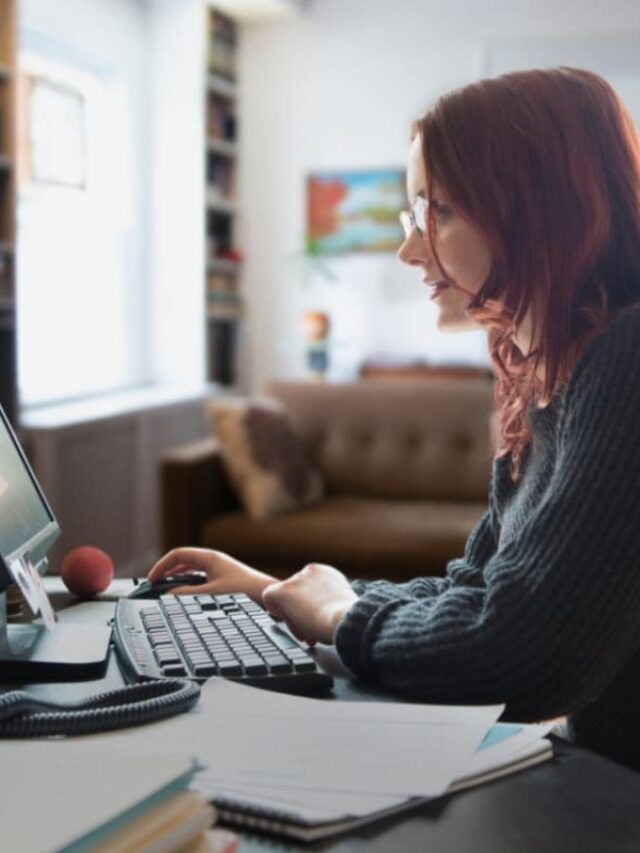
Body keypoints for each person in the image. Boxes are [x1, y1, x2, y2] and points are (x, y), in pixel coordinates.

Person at [149, 67, 640, 771]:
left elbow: (525, 654)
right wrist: (281, 594)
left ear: (538, 209)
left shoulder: (627, 356)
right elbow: (478, 590)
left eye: (438, 213)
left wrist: (340, 615)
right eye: (414, 217)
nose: (411, 249)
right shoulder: (543, 382)